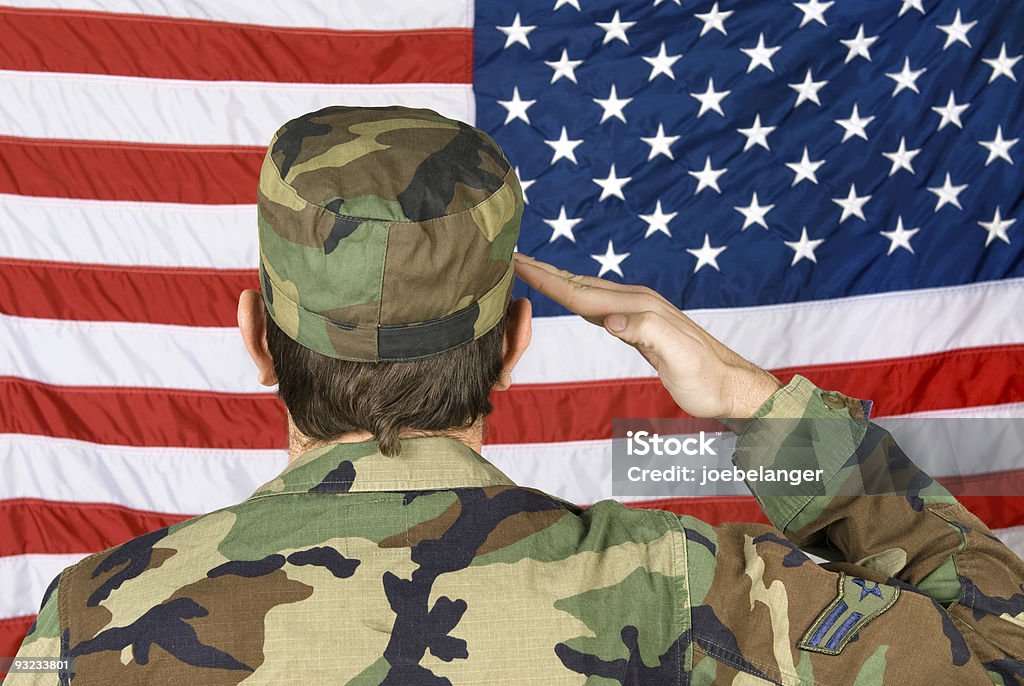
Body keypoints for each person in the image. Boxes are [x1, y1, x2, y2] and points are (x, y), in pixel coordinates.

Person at [8, 106, 1023, 685]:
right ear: (517, 342)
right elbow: (1002, 648)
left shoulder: (91, 622)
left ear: (253, 338)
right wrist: (758, 407)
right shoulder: (678, 585)